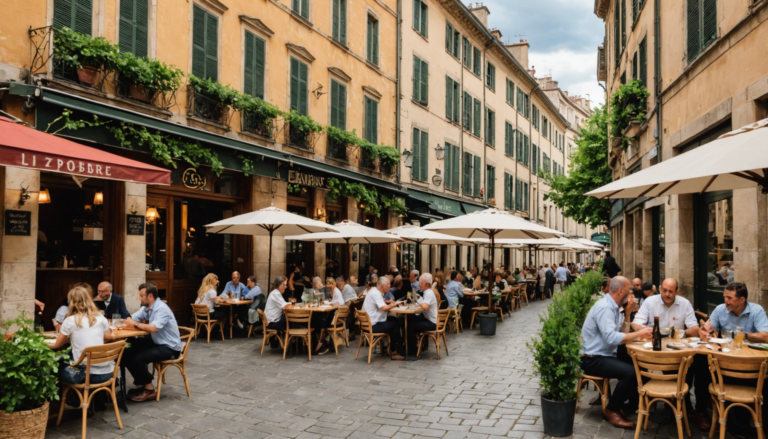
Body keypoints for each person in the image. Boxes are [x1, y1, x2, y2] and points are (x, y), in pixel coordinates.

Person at [630, 278, 708, 430]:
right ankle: (673, 404)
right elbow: (635, 323)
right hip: (654, 350)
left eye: (670, 291)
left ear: (677, 292)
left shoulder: (684, 303)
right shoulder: (650, 302)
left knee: (700, 366)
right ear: (660, 289)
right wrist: (646, 330)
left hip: (677, 351)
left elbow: (693, 328)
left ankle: (698, 410)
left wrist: (684, 331)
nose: (666, 294)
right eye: (664, 290)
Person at [580, 276, 652, 429]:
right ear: (620, 291)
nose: (631, 294)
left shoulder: (614, 307)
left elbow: (622, 333)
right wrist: (640, 334)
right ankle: (611, 409)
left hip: (605, 353)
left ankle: (633, 403)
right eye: (629, 291)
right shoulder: (605, 308)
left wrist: (627, 313)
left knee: (638, 363)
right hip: (592, 358)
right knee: (630, 372)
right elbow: (613, 338)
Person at [700, 282, 768, 436]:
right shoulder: (720, 310)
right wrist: (704, 331)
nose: (726, 301)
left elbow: (765, 336)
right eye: (725, 297)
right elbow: (707, 328)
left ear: (742, 299)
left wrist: (741, 336)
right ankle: (707, 413)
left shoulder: (756, 311)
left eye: (729, 298)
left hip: (751, 367)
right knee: (701, 367)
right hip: (725, 365)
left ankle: (750, 421)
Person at [123, 282, 182, 402]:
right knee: (126, 350)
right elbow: (131, 318)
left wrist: (134, 324)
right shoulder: (146, 308)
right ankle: (142, 383)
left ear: (150, 296)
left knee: (137, 358)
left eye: (141, 295)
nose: (139, 298)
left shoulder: (161, 309)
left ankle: (149, 389)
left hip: (170, 348)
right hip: (157, 342)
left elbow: (153, 328)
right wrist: (127, 319)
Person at [52, 286, 116, 385]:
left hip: (83, 374)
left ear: (71, 302)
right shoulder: (100, 316)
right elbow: (108, 336)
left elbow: (58, 344)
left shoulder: (70, 320)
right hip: (107, 373)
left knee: (56, 363)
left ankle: (66, 398)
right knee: (70, 357)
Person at [362, 276, 405, 360]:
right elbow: (383, 308)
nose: (390, 286)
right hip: (373, 325)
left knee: (394, 320)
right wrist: (395, 304)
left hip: (370, 322)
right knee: (395, 324)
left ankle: (393, 349)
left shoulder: (375, 291)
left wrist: (392, 305)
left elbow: (382, 307)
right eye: (388, 284)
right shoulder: (376, 293)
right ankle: (396, 351)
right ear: (382, 286)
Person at [405, 273, 438, 356]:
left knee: (410, 326)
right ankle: (407, 345)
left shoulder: (429, 293)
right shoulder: (427, 292)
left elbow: (425, 307)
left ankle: (412, 352)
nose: (419, 285)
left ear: (426, 284)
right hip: (427, 318)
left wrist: (417, 300)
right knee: (407, 319)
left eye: (421, 283)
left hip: (431, 322)